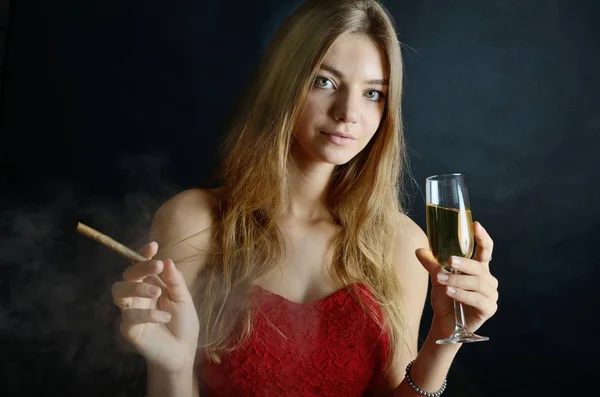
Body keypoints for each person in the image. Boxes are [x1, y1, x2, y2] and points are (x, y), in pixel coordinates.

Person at [110, 0, 499, 396]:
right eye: (324, 82)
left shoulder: (402, 244)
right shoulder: (195, 223)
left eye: (372, 93)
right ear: (284, 83)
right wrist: (172, 367)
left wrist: (444, 338)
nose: (348, 112)